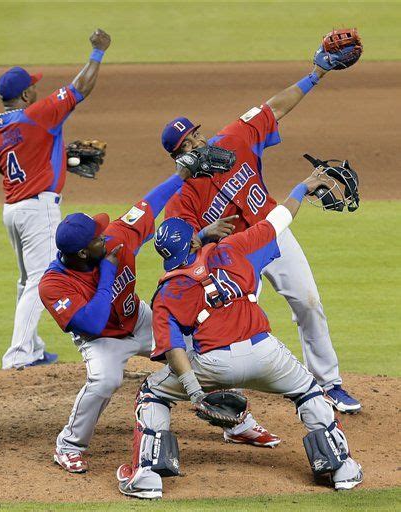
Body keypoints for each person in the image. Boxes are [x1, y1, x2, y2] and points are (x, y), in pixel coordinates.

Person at [116, 169, 363, 499]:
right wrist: (303, 187)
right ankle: (342, 468)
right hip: (267, 355)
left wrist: (194, 392)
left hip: (213, 366)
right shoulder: (231, 250)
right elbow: (278, 220)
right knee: (308, 390)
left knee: (152, 393)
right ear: (194, 240)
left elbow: (174, 349)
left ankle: (147, 475)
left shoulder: (167, 293)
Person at [160, 38, 361, 414]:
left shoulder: (234, 137)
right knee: (231, 328)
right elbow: (175, 250)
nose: (200, 141)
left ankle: (329, 383)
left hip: (273, 230)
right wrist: (203, 235)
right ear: (179, 156)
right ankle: (226, 405)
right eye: (190, 142)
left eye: (198, 133)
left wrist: (316, 74)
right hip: (234, 261)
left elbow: (274, 108)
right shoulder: (181, 197)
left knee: (309, 302)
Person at [38, 163, 278, 474]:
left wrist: (182, 174)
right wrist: (109, 271)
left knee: (201, 348)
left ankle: (236, 423)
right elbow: (94, 323)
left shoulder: (116, 237)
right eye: (98, 237)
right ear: (83, 253)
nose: (105, 235)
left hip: (137, 319)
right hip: (101, 340)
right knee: (105, 381)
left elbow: (149, 204)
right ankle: (69, 445)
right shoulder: (54, 285)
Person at [0, 29, 111, 370]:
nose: (37, 89)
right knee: (40, 278)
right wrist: (98, 52)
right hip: (36, 209)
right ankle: (18, 355)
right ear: (26, 94)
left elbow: (18, 164)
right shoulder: (36, 115)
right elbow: (79, 89)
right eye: (33, 86)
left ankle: (32, 347)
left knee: (25, 279)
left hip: (12, 209)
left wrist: (56, 157)